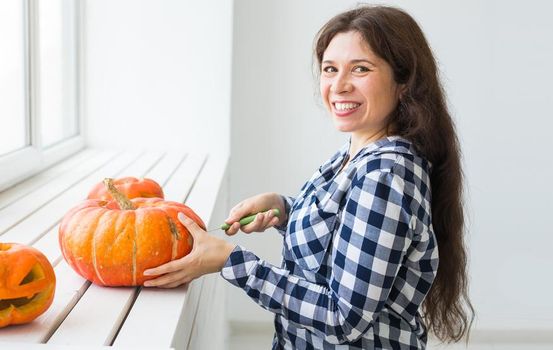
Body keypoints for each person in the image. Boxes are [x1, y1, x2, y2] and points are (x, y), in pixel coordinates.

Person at [141, 5, 473, 349]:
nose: (339, 85)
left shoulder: (385, 176)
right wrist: (284, 209)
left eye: (360, 69)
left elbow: (342, 319)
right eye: (330, 69)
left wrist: (230, 261)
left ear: (403, 81)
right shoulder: (357, 153)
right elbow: (346, 232)